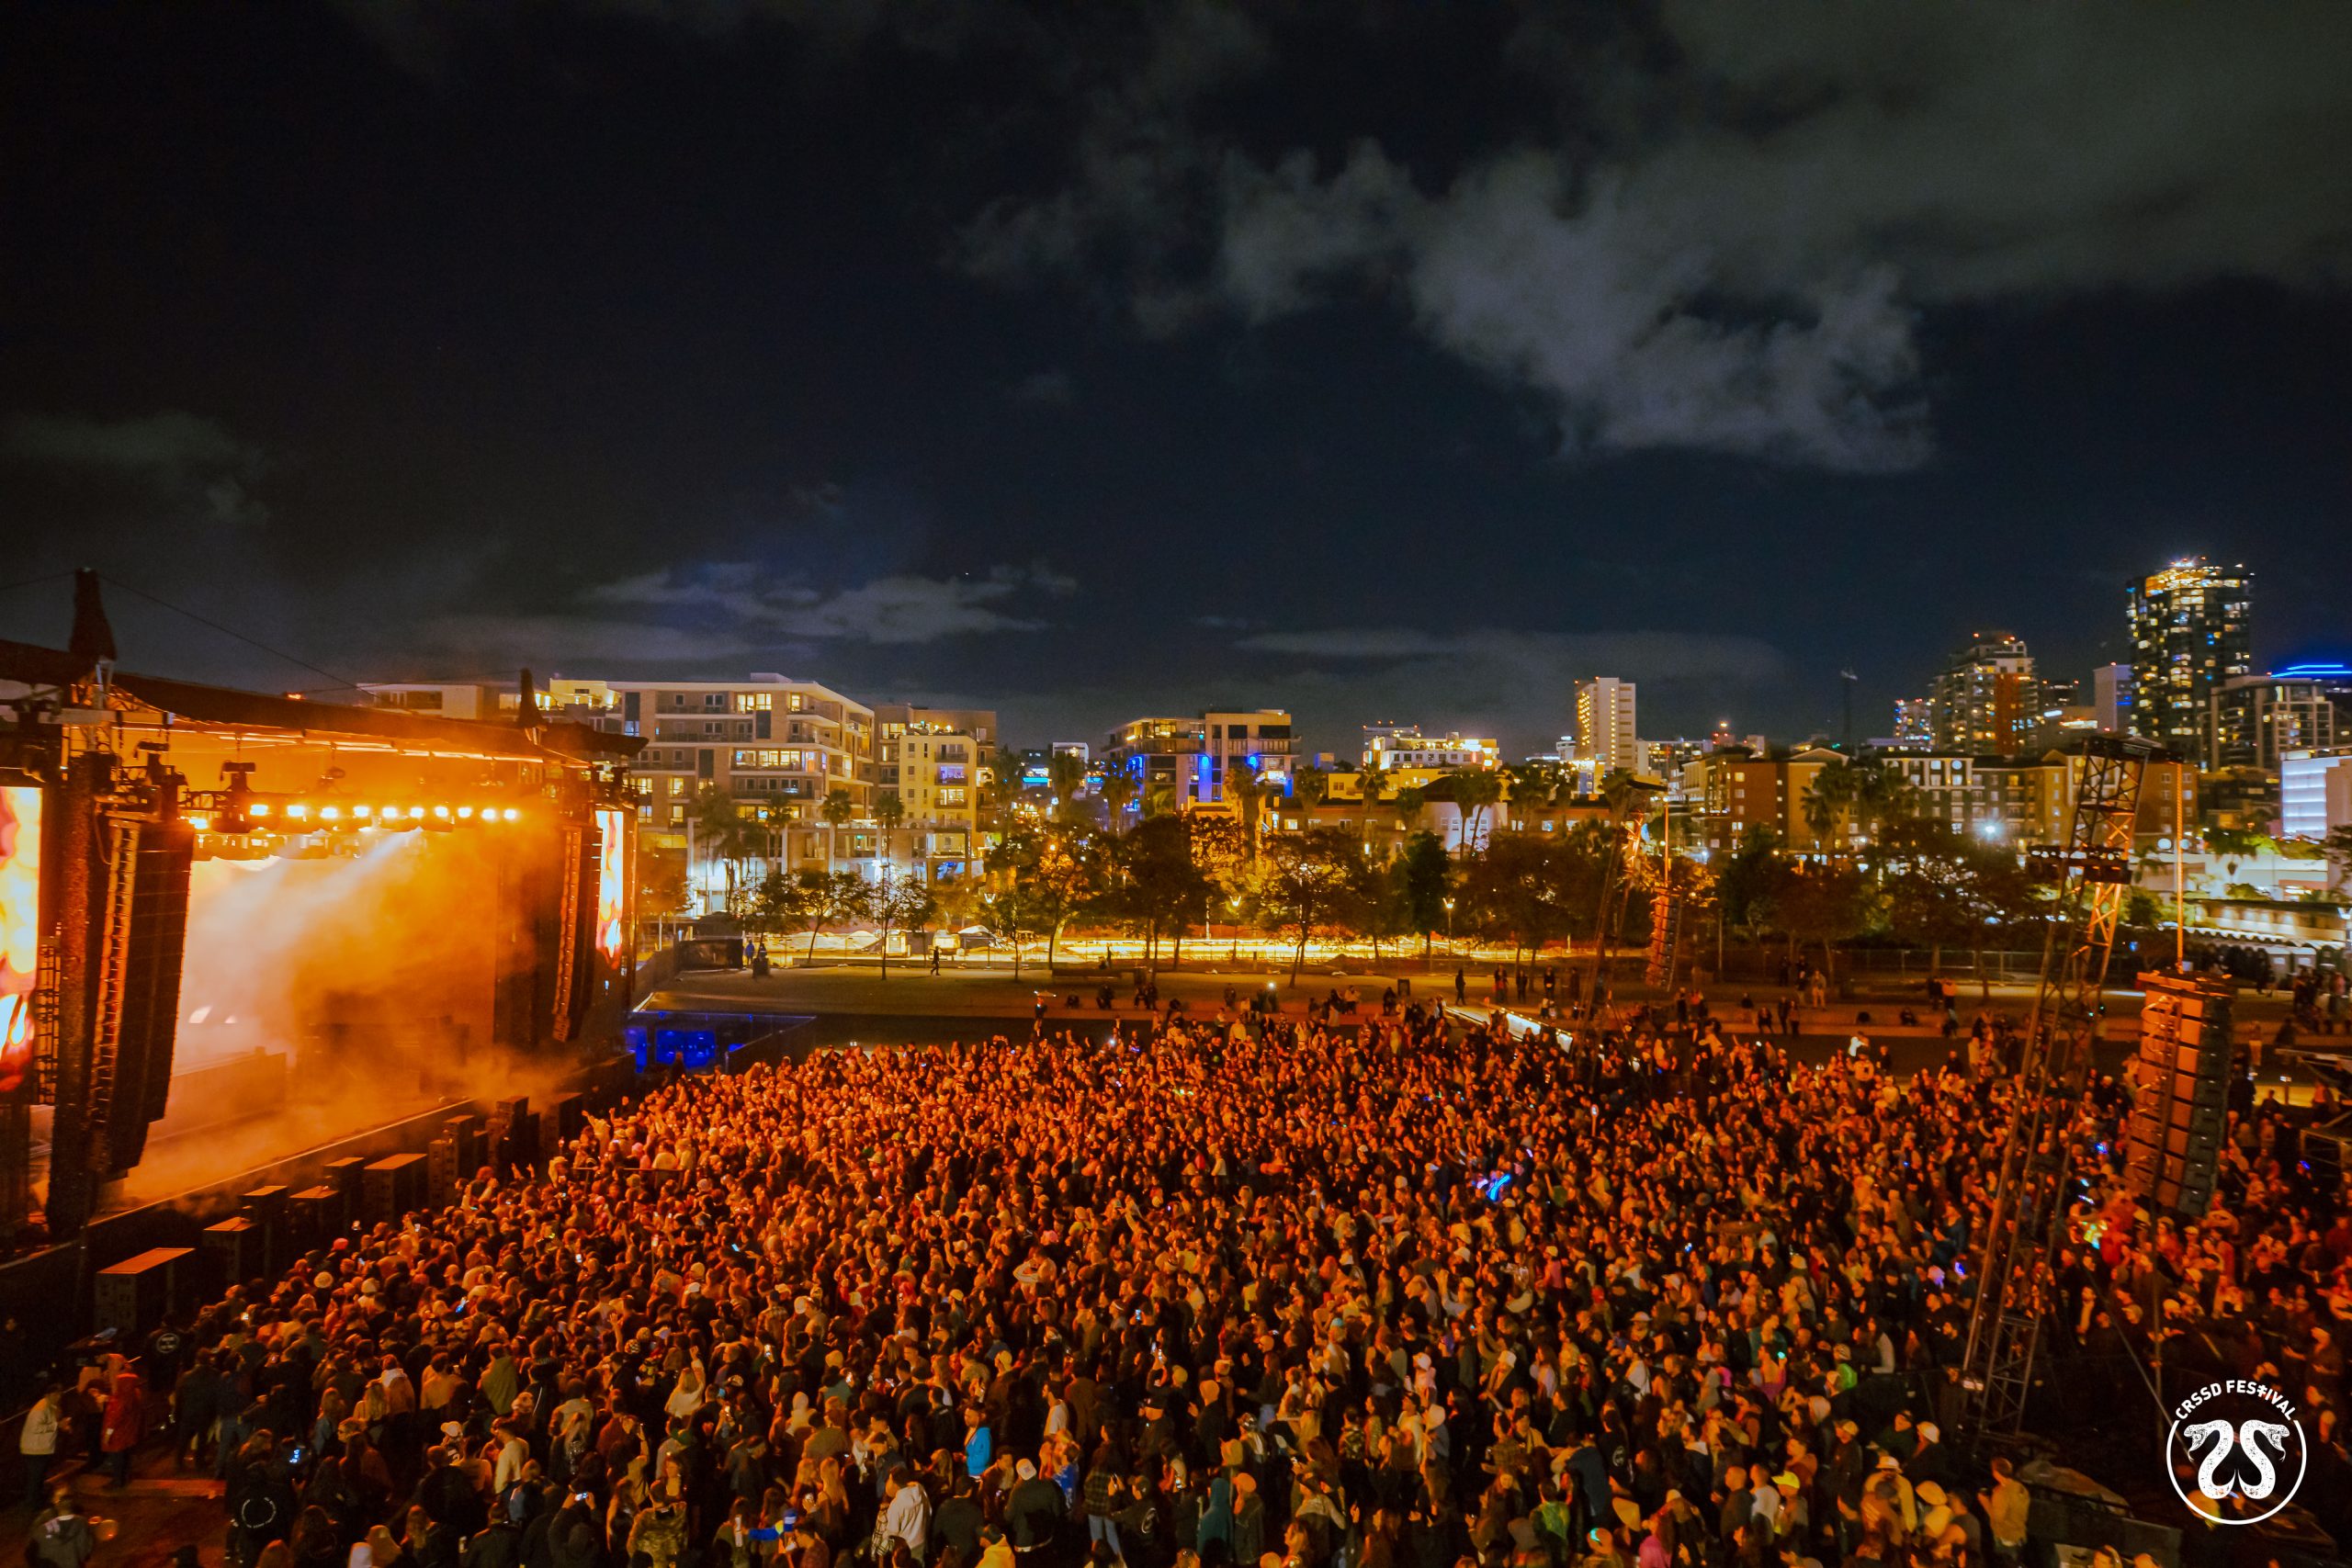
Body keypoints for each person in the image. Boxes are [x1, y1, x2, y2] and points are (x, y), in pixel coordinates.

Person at [29, 1485, 97, 1568]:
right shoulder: (45, 1517)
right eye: (60, 1497)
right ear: (53, 1499)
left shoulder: (78, 1515)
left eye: (66, 1497)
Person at [19, 1383, 62, 1510]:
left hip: (41, 1448)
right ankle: (31, 1504)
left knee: (39, 1477)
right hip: (34, 1450)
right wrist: (56, 1426)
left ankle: (36, 1501)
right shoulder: (40, 1409)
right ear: (47, 1395)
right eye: (55, 1394)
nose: (58, 1397)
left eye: (60, 1394)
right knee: (35, 1477)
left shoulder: (50, 1406)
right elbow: (36, 1427)